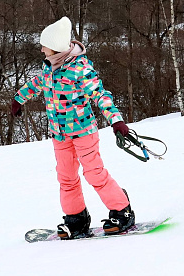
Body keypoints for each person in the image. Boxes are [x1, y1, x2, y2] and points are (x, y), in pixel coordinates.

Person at [11, 16, 135, 239]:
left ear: (56, 47)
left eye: (44, 45)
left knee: (94, 173)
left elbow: (99, 94)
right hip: (59, 134)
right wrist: (19, 99)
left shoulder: (80, 68)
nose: (41, 49)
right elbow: (37, 83)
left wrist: (115, 120)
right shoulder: (49, 66)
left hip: (84, 132)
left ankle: (122, 210)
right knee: (66, 177)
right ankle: (76, 218)